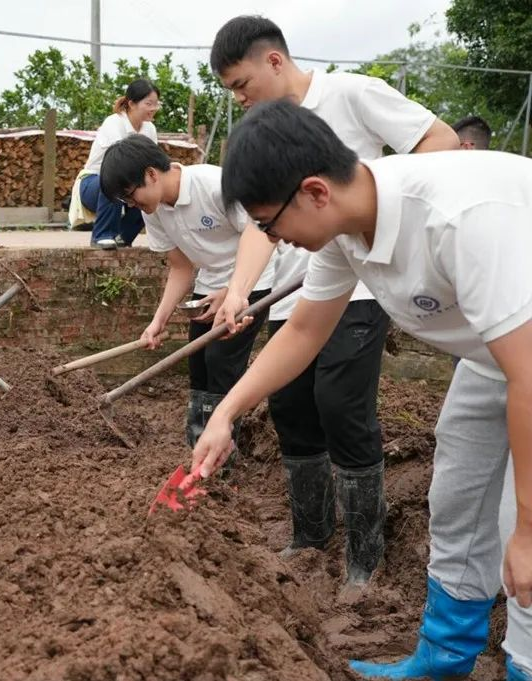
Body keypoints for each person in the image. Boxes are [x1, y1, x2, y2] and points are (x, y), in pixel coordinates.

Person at [193, 99, 531, 681]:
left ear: (315, 192)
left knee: (521, 532)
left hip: (525, 356)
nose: (274, 241)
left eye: (270, 225)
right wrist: (227, 412)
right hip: (495, 352)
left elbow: (528, 373)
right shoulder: (347, 229)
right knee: (458, 494)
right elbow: (305, 329)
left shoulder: (458, 218)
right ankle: (444, 656)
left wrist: (527, 527)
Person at [208, 15, 459, 586]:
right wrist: (241, 288)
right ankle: (311, 535)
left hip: (364, 281)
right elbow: (261, 228)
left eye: (242, 84)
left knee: (340, 403)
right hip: (306, 286)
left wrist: (377, 208)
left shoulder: (350, 94)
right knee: (291, 405)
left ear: (274, 61)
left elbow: (440, 141)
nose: (239, 98)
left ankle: (365, 554)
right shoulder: (262, 139)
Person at [99, 134, 275, 453]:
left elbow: (260, 233)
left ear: (151, 174)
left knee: (221, 361)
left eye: (130, 195)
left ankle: (223, 455)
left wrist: (234, 291)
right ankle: (199, 447)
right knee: (199, 365)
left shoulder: (215, 185)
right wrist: (158, 321)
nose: (131, 205)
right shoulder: (153, 211)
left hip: (254, 280)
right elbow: (181, 267)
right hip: (209, 286)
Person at [71, 78, 160, 249]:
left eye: (156, 104)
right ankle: (102, 235)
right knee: (116, 179)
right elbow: (119, 164)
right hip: (93, 184)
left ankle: (123, 236)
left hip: (129, 182)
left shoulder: (150, 129)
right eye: (149, 103)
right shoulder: (114, 123)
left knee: (152, 190)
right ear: (132, 104)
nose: (153, 108)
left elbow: (153, 161)